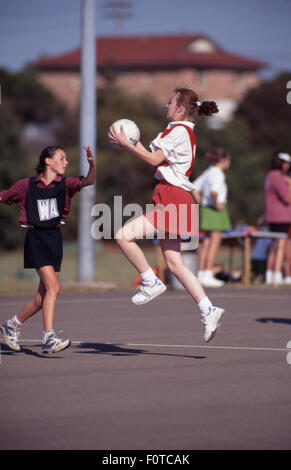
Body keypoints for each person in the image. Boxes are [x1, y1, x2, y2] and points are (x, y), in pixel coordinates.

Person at [108, 87, 225, 343]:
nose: (166, 106)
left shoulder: (178, 131)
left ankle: (151, 281)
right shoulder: (181, 131)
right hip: (175, 197)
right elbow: (157, 160)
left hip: (173, 198)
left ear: (180, 108)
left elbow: (153, 160)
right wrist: (130, 140)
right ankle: (209, 309)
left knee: (123, 235)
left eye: (170, 102)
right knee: (175, 264)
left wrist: (128, 145)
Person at [0, 145, 95, 353]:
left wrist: (92, 164)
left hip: (55, 238)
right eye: (62, 158)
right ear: (47, 161)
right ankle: (48, 337)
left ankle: (11, 325)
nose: (66, 162)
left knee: (42, 297)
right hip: (36, 238)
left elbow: (89, 181)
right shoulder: (26, 186)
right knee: (54, 288)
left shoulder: (66, 184)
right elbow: (4, 196)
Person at [192, 149, 231, 287]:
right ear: (223, 160)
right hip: (215, 210)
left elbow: (194, 187)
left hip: (206, 209)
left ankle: (201, 273)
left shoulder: (208, 172)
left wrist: (201, 202)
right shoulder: (219, 174)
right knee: (214, 242)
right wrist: (216, 204)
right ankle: (208, 273)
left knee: (206, 243)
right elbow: (214, 191)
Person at [264, 151, 291, 284]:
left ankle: (271, 275)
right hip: (281, 218)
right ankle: (280, 276)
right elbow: (287, 198)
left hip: (274, 217)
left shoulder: (270, 176)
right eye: (286, 163)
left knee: (274, 247)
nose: (287, 166)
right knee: (283, 248)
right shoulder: (278, 177)